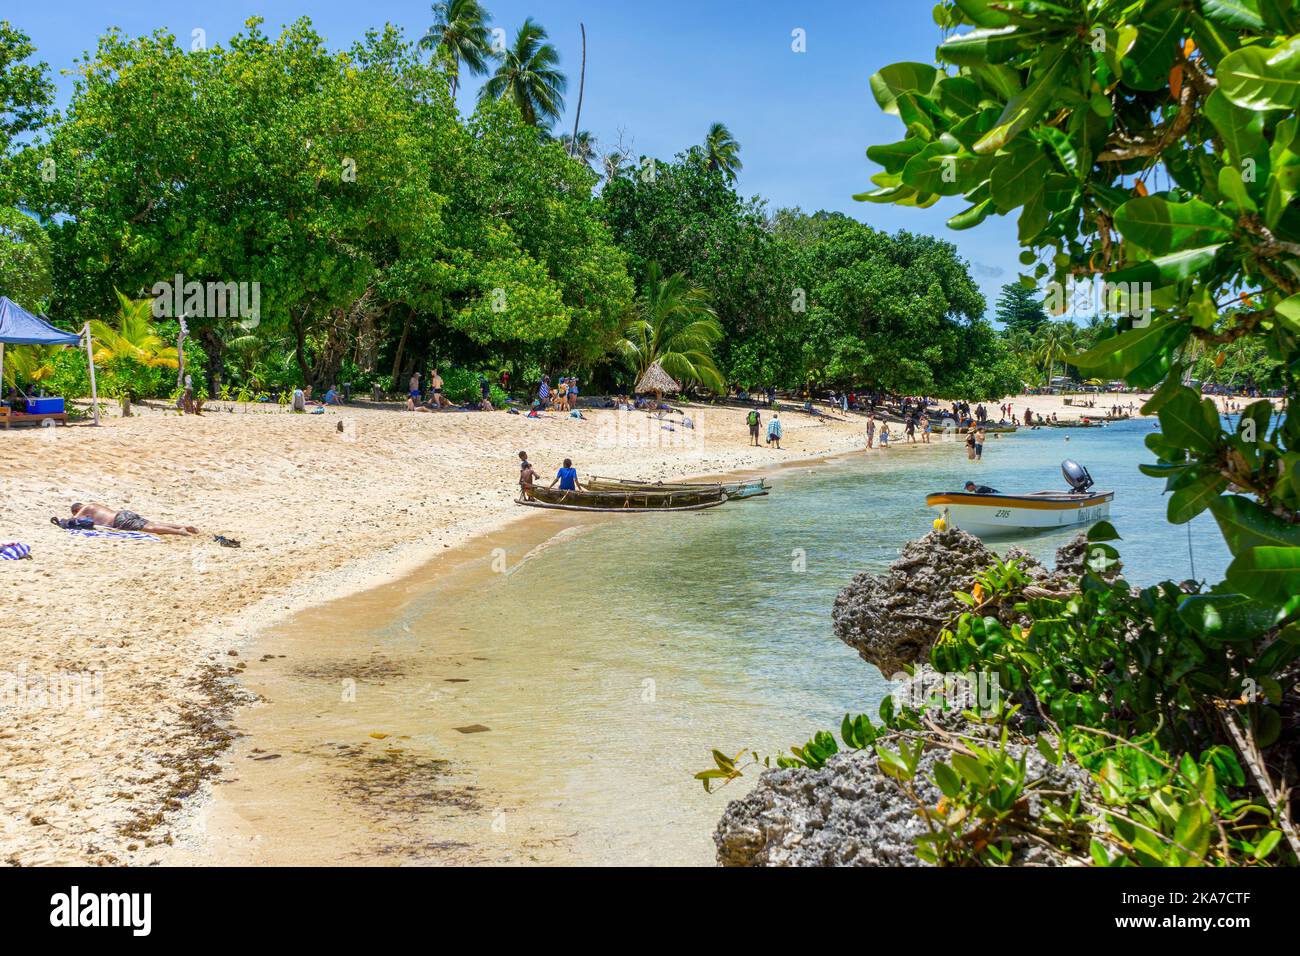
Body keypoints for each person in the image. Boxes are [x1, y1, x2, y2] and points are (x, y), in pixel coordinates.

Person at [69, 502, 198, 537]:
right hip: (123, 513)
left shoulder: (85, 508)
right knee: (153, 523)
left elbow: (73, 520)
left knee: (151, 529)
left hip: (118, 520)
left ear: (77, 509)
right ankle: (184, 526)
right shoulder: (94, 505)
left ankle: (179, 532)